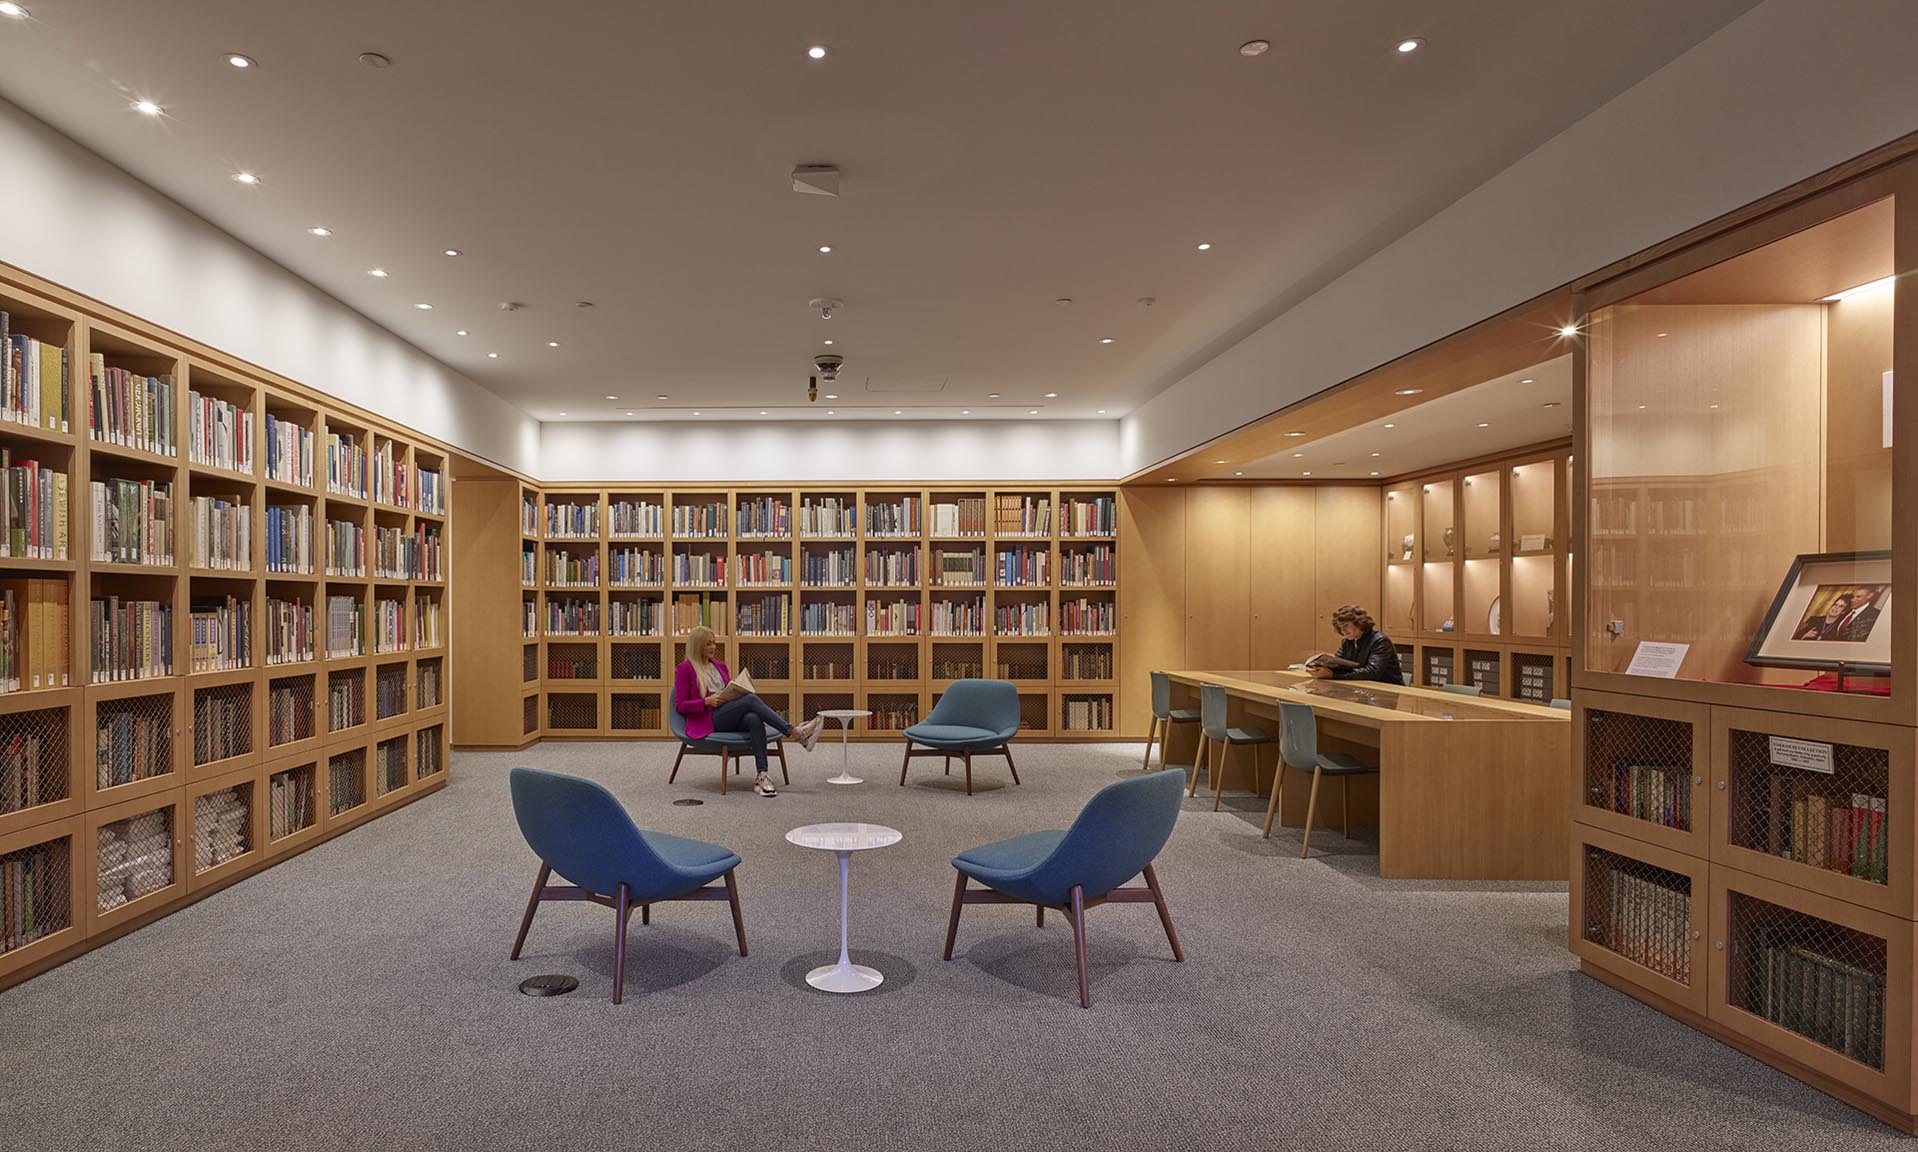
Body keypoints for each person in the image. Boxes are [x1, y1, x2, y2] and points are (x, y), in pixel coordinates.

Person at [674, 626, 822, 796]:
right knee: (751, 700)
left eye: (714, 643)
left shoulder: (720, 666)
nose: (714, 647)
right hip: (709, 719)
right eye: (708, 644)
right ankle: (795, 732)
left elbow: (728, 691)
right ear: (697, 645)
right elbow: (681, 705)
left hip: (727, 713)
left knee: (753, 718)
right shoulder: (684, 669)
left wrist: (734, 692)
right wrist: (706, 701)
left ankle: (762, 776)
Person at [1306, 605, 1406, 686]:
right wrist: (1321, 667)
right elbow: (1339, 662)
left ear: (1359, 623)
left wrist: (1333, 674)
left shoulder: (1380, 641)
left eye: (1346, 626)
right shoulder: (1347, 642)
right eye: (1340, 628)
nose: (1343, 631)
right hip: (1361, 688)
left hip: (1386, 690)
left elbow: (1373, 672)